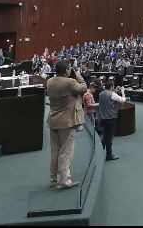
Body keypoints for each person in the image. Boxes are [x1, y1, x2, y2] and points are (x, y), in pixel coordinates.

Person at [46, 59, 87, 190]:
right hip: (67, 122)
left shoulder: (49, 81)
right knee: (66, 152)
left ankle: (54, 179)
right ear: (66, 70)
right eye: (69, 68)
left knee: (55, 152)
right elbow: (84, 88)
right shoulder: (70, 82)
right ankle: (64, 181)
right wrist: (78, 75)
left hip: (53, 120)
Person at [97, 80, 126, 161]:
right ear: (111, 86)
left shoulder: (101, 94)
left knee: (106, 135)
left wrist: (115, 91)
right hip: (111, 118)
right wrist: (123, 92)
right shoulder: (112, 94)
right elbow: (123, 100)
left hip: (103, 117)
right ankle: (108, 155)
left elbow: (109, 97)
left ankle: (100, 149)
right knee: (109, 137)